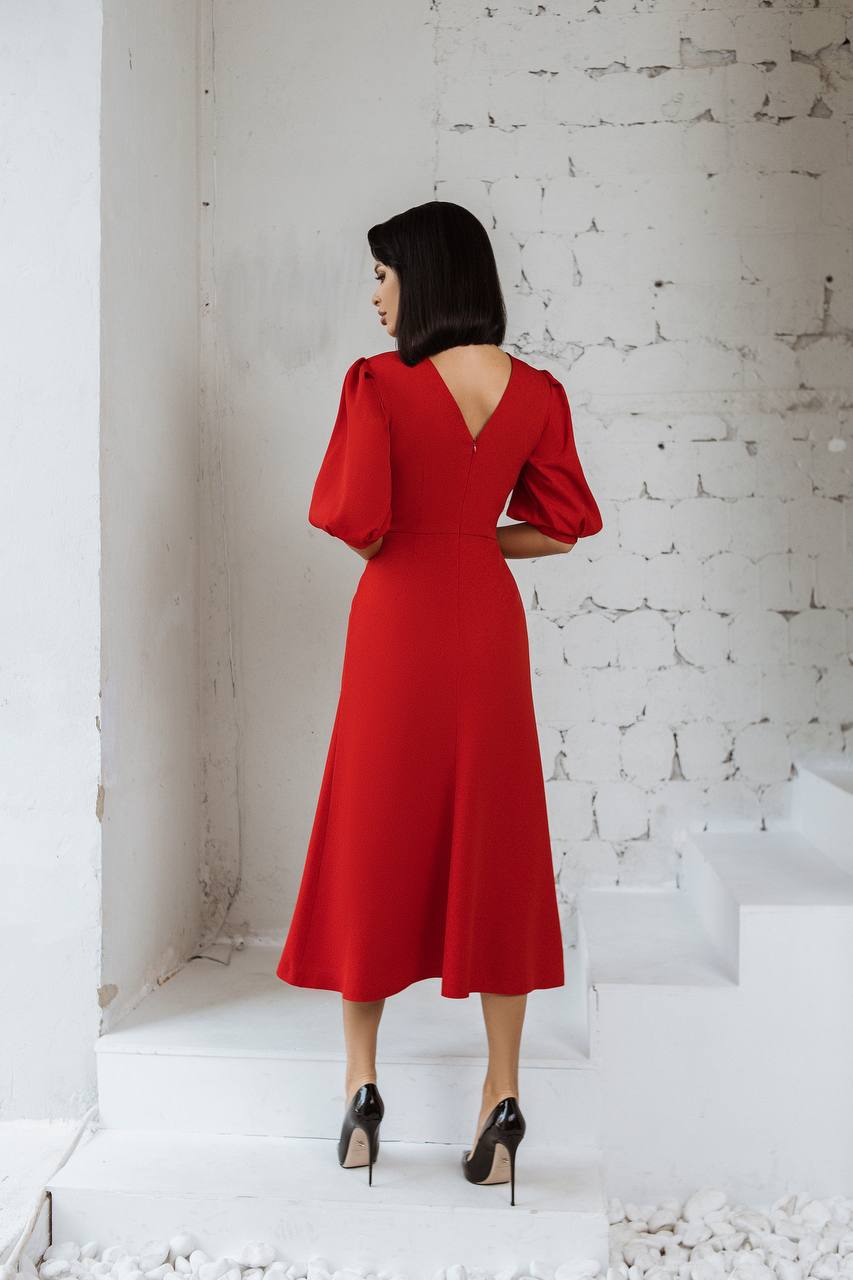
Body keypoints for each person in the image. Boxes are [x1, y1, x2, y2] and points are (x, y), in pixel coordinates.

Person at [276, 201, 603, 1206]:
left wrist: (425, 536)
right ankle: (502, 1097)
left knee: (373, 830)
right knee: (495, 837)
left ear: (423, 276)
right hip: (486, 628)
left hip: (397, 628)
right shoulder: (538, 393)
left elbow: (358, 523)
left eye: (382, 275)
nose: (374, 295)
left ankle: (361, 1084)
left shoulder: (378, 383)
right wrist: (472, 539)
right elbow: (560, 527)